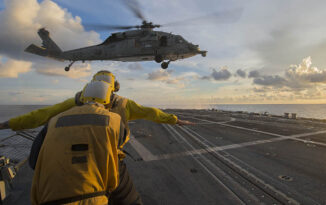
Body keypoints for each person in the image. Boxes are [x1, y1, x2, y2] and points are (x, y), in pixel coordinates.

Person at [0, 70, 193, 204]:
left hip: (65, 164)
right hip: (109, 160)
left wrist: (8, 124)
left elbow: (41, 115)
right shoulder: (124, 104)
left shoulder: (75, 102)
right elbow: (151, 112)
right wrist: (174, 120)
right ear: (113, 87)